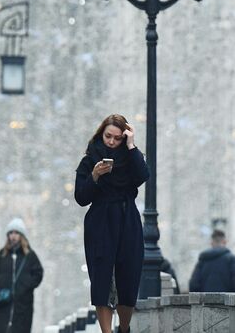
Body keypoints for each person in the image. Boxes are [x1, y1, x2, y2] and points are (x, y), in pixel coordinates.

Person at [74, 114, 150, 333]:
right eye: (108, 136)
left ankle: (124, 328)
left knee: (128, 278)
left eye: (117, 138)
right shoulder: (89, 160)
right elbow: (81, 197)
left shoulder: (131, 158)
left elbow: (143, 176)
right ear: (101, 133)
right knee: (101, 279)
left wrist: (132, 144)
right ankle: (106, 331)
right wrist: (95, 176)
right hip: (100, 223)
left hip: (128, 222)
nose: (112, 142)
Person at [0, 218, 43, 333]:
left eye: (16, 233)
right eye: (11, 233)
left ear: (21, 235)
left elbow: (38, 273)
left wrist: (26, 285)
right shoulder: (2, 254)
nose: (13, 236)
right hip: (4, 303)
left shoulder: (29, 255)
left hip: (23, 304)